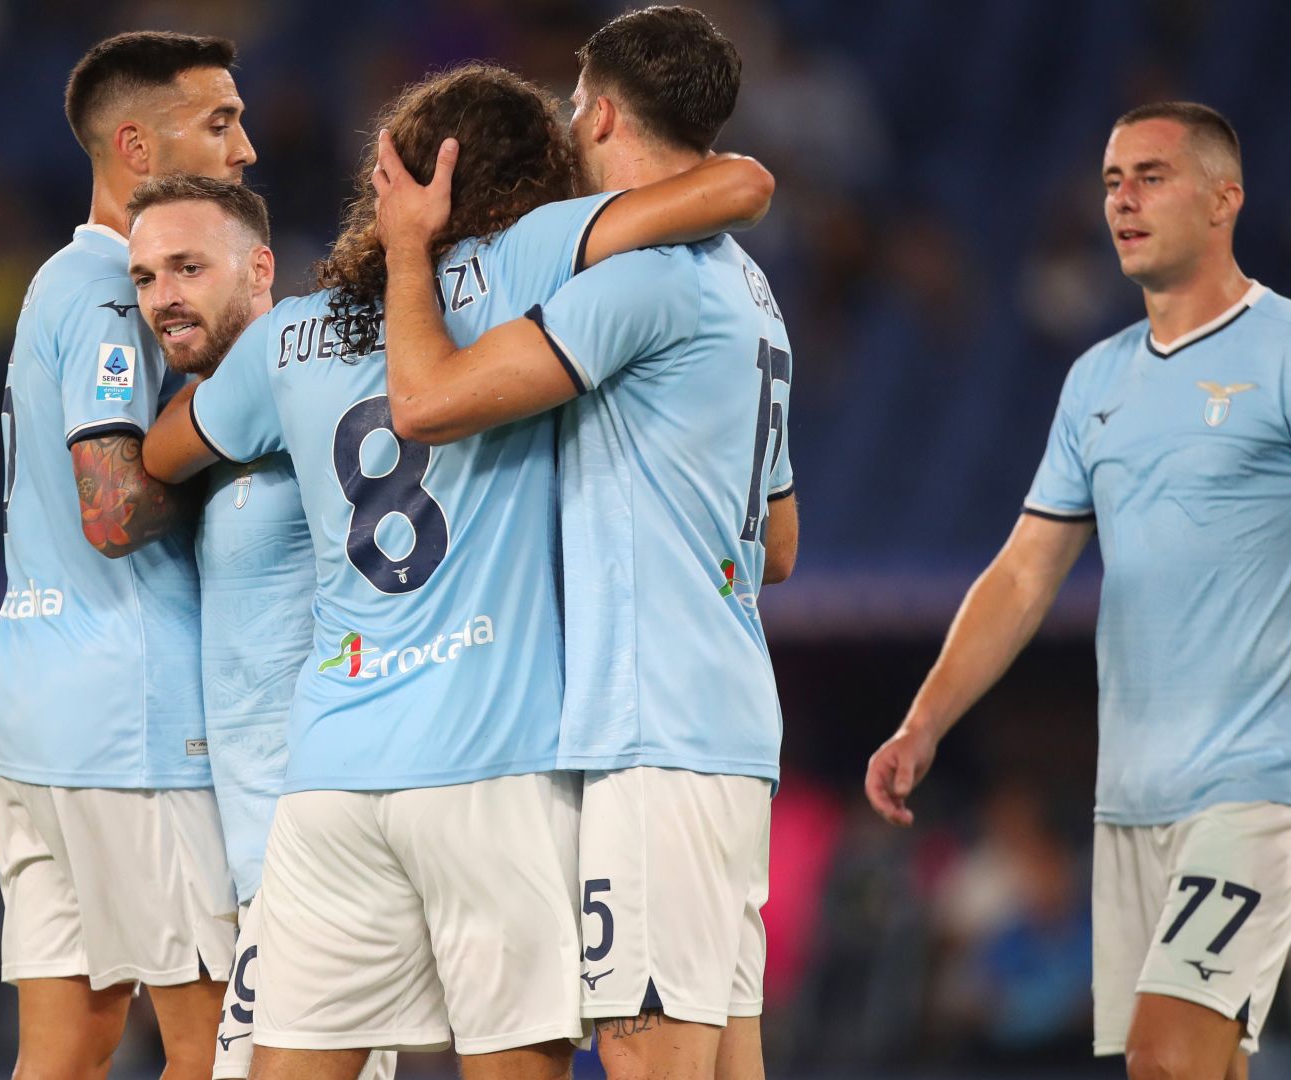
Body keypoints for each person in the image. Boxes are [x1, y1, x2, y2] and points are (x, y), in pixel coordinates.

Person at [138, 62, 772, 1080]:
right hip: (495, 766)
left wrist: (269, 446)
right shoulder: (534, 263)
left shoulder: (292, 337)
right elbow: (731, 189)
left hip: (332, 776)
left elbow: (163, 455)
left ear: (393, 181)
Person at [863, 101, 1291, 1080]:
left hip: (1263, 780)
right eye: (1113, 179)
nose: (1122, 198)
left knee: (1169, 1055)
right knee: (1190, 1065)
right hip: (1134, 796)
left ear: (1222, 200)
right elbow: (1025, 571)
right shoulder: (1095, 382)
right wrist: (925, 721)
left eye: (1151, 176)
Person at [372, 10, 794, 1079]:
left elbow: (423, 404)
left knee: (646, 1055)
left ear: (601, 111)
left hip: (653, 728)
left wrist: (410, 253)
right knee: (724, 1057)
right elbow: (779, 540)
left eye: (573, 102)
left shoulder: (639, 284)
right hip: (728, 721)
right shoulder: (749, 288)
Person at [0, 31, 254, 1080]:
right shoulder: (109, 291)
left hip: (35, 697)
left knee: (68, 1045)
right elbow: (113, 509)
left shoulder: (59, 280)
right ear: (137, 146)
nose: (247, 149)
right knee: (216, 1034)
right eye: (220, 121)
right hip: (129, 713)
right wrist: (236, 438)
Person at [124, 173, 395, 1080]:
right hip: (259, 853)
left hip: (320, 836)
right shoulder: (229, 422)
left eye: (190, 267)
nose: (165, 297)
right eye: (147, 278)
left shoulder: (299, 374)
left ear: (261, 269)